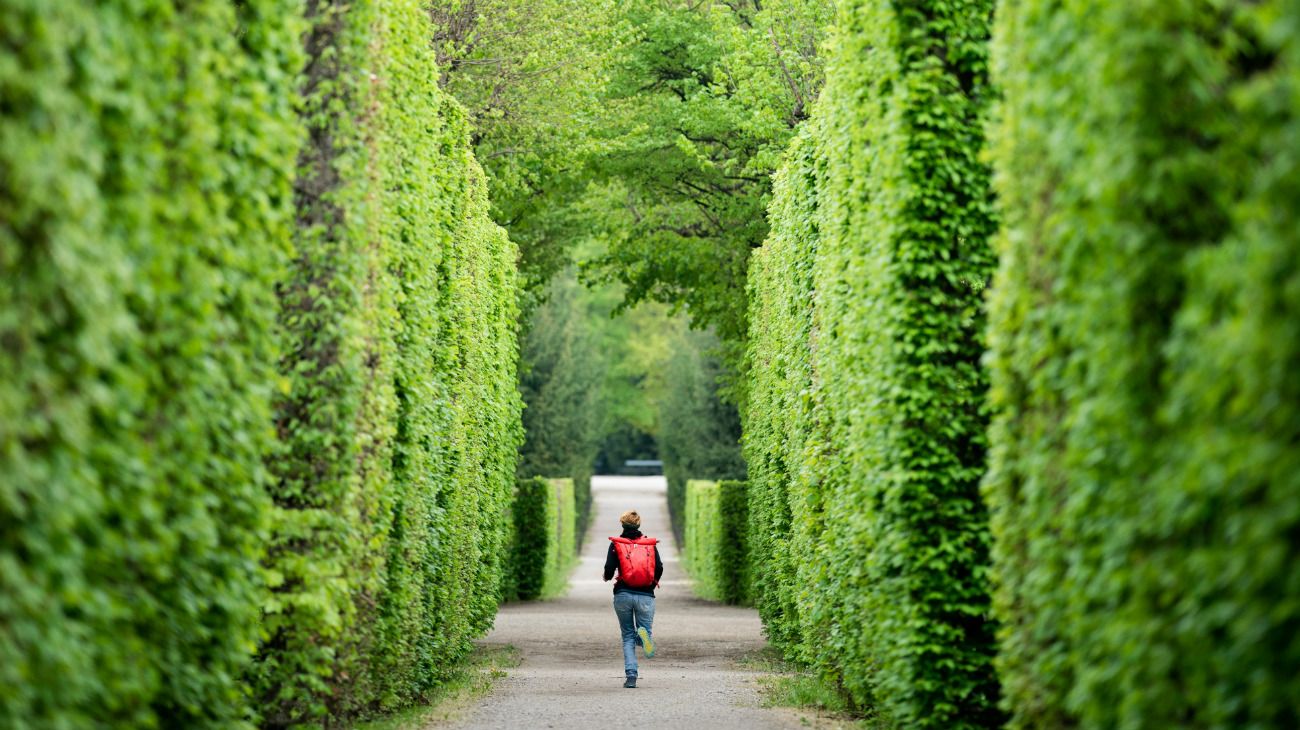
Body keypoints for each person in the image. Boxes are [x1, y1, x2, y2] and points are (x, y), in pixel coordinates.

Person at [603, 509, 664, 688]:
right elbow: (659, 568)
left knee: (627, 635)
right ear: (638, 524)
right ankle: (643, 635)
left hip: (623, 594)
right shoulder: (649, 545)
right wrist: (651, 585)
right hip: (645, 595)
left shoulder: (616, 544)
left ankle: (631, 676)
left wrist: (607, 577)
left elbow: (609, 568)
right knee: (644, 630)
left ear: (622, 524)